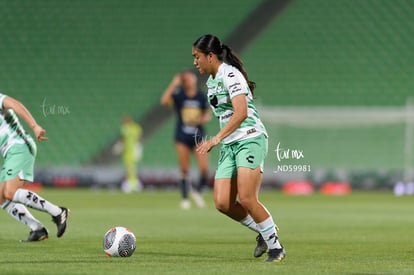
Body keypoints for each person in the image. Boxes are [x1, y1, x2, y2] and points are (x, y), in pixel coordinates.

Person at [192, 34, 286, 262]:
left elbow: (241, 112)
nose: (195, 62)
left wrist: (215, 139)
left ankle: (276, 248)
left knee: (246, 198)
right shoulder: (211, 83)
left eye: (197, 57)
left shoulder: (230, 75)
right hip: (231, 144)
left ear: (210, 56)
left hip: (250, 138)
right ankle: (265, 231)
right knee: (222, 203)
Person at [0, 93, 69, 241]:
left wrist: (34, 126)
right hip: (10, 153)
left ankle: (58, 212)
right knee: (1, 196)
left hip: (19, 146)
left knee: (10, 192)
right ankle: (38, 229)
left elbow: (15, 104)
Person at [161, 70, 211, 209]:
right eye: (186, 79)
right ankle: (184, 198)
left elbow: (207, 112)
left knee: (204, 168)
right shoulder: (179, 95)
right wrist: (173, 84)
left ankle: (198, 191)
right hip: (182, 136)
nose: (189, 81)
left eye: (190, 78)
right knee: (184, 168)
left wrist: (204, 118)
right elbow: (164, 101)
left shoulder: (200, 96)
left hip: (198, 136)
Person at [117, 115, 143, 192]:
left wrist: (138, 147)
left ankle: (133, 183)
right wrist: (120, 146)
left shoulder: (135, 127)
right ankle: (132, 183)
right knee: (129, 167)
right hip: (127, 151)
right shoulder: (124, 128)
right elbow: (123, 139)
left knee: (132, 167)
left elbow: (139, 137)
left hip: (133, 150)